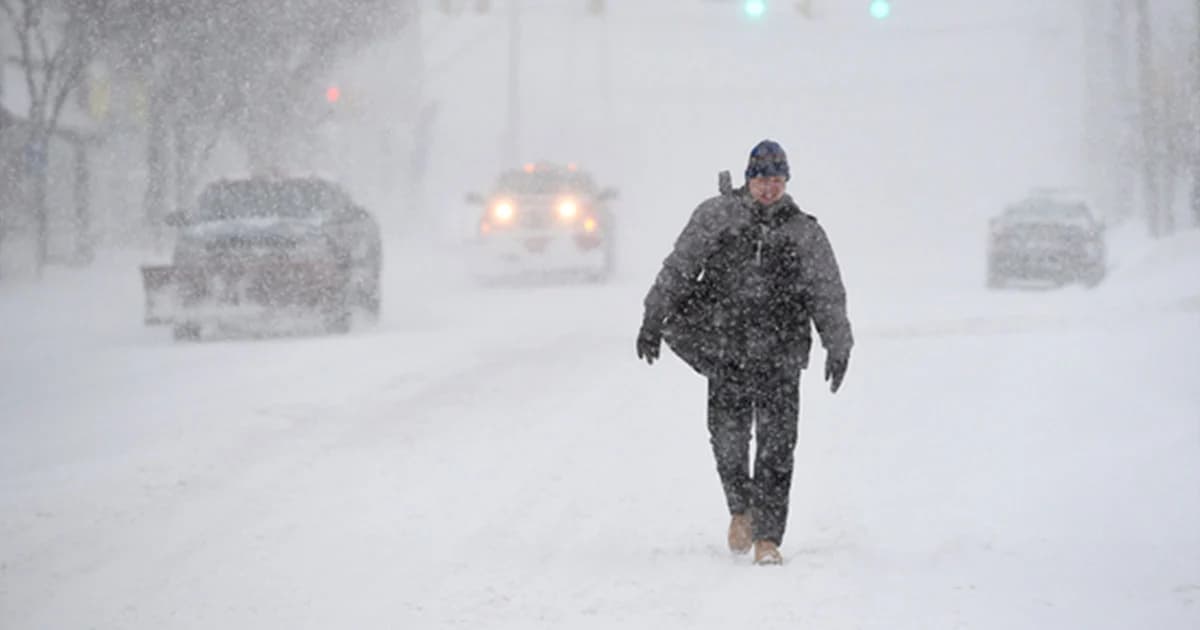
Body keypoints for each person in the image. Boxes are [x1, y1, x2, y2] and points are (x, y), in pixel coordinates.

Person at [636, 139, 853, 566]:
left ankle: (768, 539)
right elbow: (679, 268)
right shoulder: (716, 218)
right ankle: (741, 510)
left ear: (786, 181)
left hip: (781, 354)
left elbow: (826, 291)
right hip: (726, 350)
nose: (768, 188)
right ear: (748, 179)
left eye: (776, 179)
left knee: (777, 447)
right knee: (729, 442)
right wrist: (652, 316)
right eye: (760, 178)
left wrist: (838, 344)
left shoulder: (802, 231)